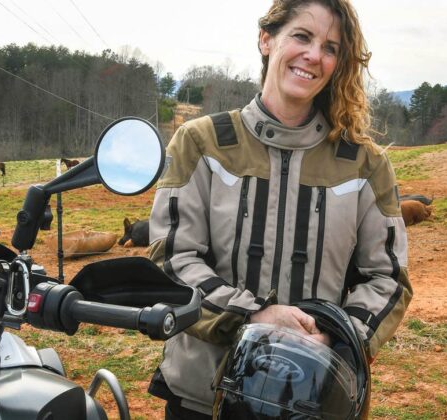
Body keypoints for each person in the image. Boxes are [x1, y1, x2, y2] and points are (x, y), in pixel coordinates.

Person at [146, 0, 412, 418]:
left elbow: (388, 279)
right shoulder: (200, 142)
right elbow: (173, 259)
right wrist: (255, 316)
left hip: (315, 400)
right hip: (201, 396)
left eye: (330, 47)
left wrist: (335, 338)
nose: (314, 55)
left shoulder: (366, 163)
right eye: (302, 37)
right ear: (266, 39)